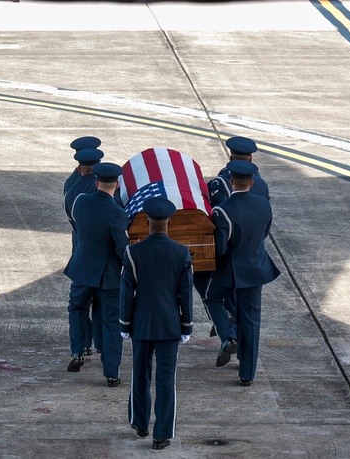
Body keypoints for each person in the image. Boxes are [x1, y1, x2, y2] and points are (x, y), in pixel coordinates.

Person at [119, 196, 193, 451]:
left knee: (139, 374)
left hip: (140, 324)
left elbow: (127, 292)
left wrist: (124, 324)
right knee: (166, 378)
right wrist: (187, 326)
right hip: (170, 325)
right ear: (169, 222)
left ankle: (140, 423)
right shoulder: (181, 252)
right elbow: (186, 293)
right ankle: (161, 434)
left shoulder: (133, 252)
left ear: (147, 221)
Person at [204, 160, 281, 386]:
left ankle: (228, 335)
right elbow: (264, 233)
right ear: (252, 182)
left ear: (231, 182)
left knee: (212, 298)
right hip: (256, 268)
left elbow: (221, 249)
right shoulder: (263, 205)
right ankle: (247, 374)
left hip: (230, 270)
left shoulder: (223, 211)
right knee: (251, 321)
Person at [197, 136, 270, 341]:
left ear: (230, 157)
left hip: (227, 254)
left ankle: (226, 329)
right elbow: (264, 228)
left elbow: (215, 216)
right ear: (251, 158)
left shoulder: (220, 183)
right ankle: (236, 336)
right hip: (253, 254)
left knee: (206, 283)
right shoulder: (262, 186)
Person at [65, 162, 130, 387]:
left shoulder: (81, 202)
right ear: (118, 184)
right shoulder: (118, 213)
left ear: (96, 182)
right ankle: (111, 372)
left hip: (82, 270)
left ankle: (78, 350)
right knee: (112, 321)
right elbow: (121, 249)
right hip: (108, 276)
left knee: (77, 308)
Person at [63, 144, 105, 357]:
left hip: (81, 253)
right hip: (104, 258)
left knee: (78, 305)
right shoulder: (106, 188)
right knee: (101, 302)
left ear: (79, 166)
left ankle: (80, 348)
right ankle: (100, 344)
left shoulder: (70, 188)